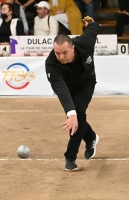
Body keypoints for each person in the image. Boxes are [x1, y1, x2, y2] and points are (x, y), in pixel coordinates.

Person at [45, 18, 100, 171]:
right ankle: (91, 137)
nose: (61, 57)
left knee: (79, 112)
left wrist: (91, 23)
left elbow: (93, 29)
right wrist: (71, 113)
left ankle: (70, 157)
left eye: (65, 53)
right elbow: (61, 90)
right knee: (75, 115)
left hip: (86, 82)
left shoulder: (85, 42)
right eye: (57, 53)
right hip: (68, 87)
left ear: (73, 48)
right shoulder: (51, 63)